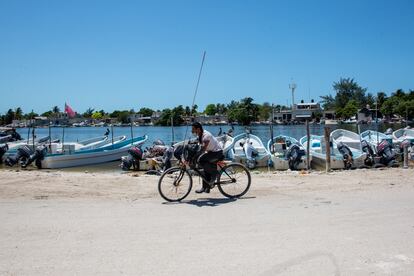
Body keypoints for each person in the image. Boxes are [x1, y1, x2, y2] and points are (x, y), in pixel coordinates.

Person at [191, 122, 223, 194]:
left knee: (201, 161)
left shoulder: (206, 135)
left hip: (217, 152)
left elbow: (204, 148)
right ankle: (205, 187)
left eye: (193, 129)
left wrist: (196, 156)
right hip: (211, 152)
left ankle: (214, 173)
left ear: (198, 129)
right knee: (204, 167)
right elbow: (196, 142)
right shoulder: (200, 134)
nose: (192, 131)